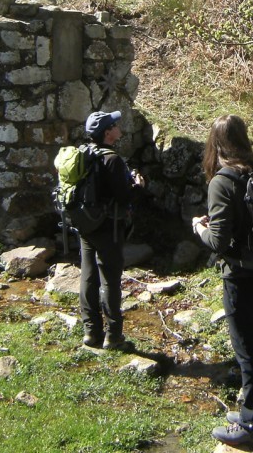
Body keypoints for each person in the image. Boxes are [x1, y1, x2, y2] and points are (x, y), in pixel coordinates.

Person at [192, 114, 253, 447]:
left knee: (245, 348)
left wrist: (199, 227)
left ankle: (252, 425)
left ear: (215, 144)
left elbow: (217, 241)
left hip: (239, 272)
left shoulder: (222, 181)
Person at [79, 110, 139, 352]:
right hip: (109, 227)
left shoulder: (83, 154)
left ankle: (91, 332)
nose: (118, 126)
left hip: (86, 225)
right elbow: (123, 197)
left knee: (88, 276)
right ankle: (113, 336)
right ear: (107, 132)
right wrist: (138, 186)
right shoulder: (112, 160)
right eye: (114, 124)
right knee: (111, 281)